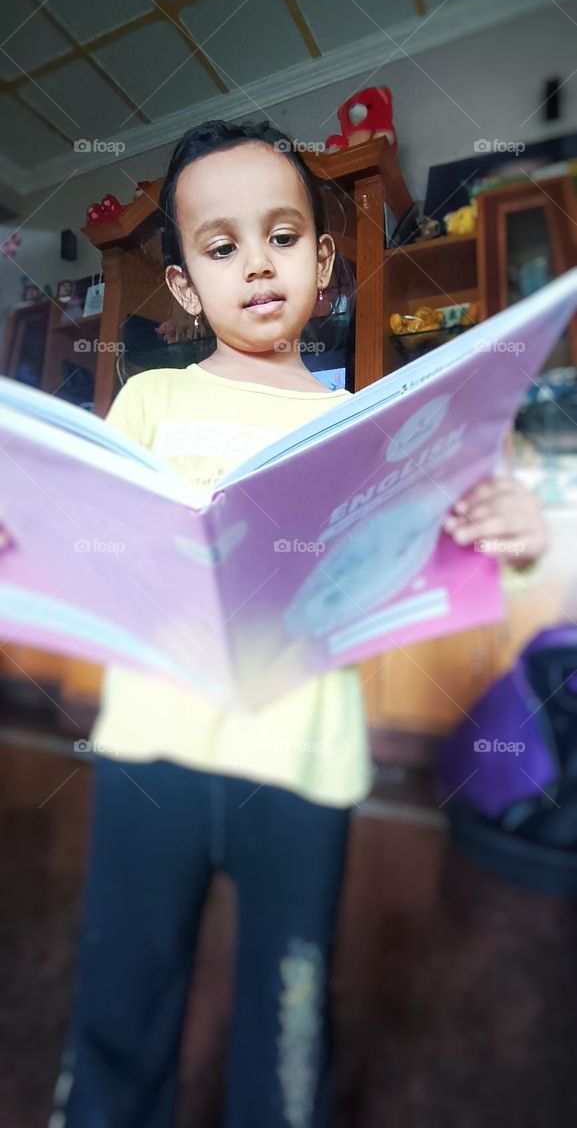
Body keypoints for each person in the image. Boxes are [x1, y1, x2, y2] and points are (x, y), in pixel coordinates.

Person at [48, 119, 547, 1128]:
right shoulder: (148, 399)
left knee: (290, 1010)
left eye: (282, 235)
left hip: (303, 759)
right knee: (122, 987)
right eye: (221, 247)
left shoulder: (364, 419)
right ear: (185, 286)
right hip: (155, 747)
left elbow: (427, 551)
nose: (258, 265)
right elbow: (84, 526)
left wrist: (513, 523)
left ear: (324, 260)